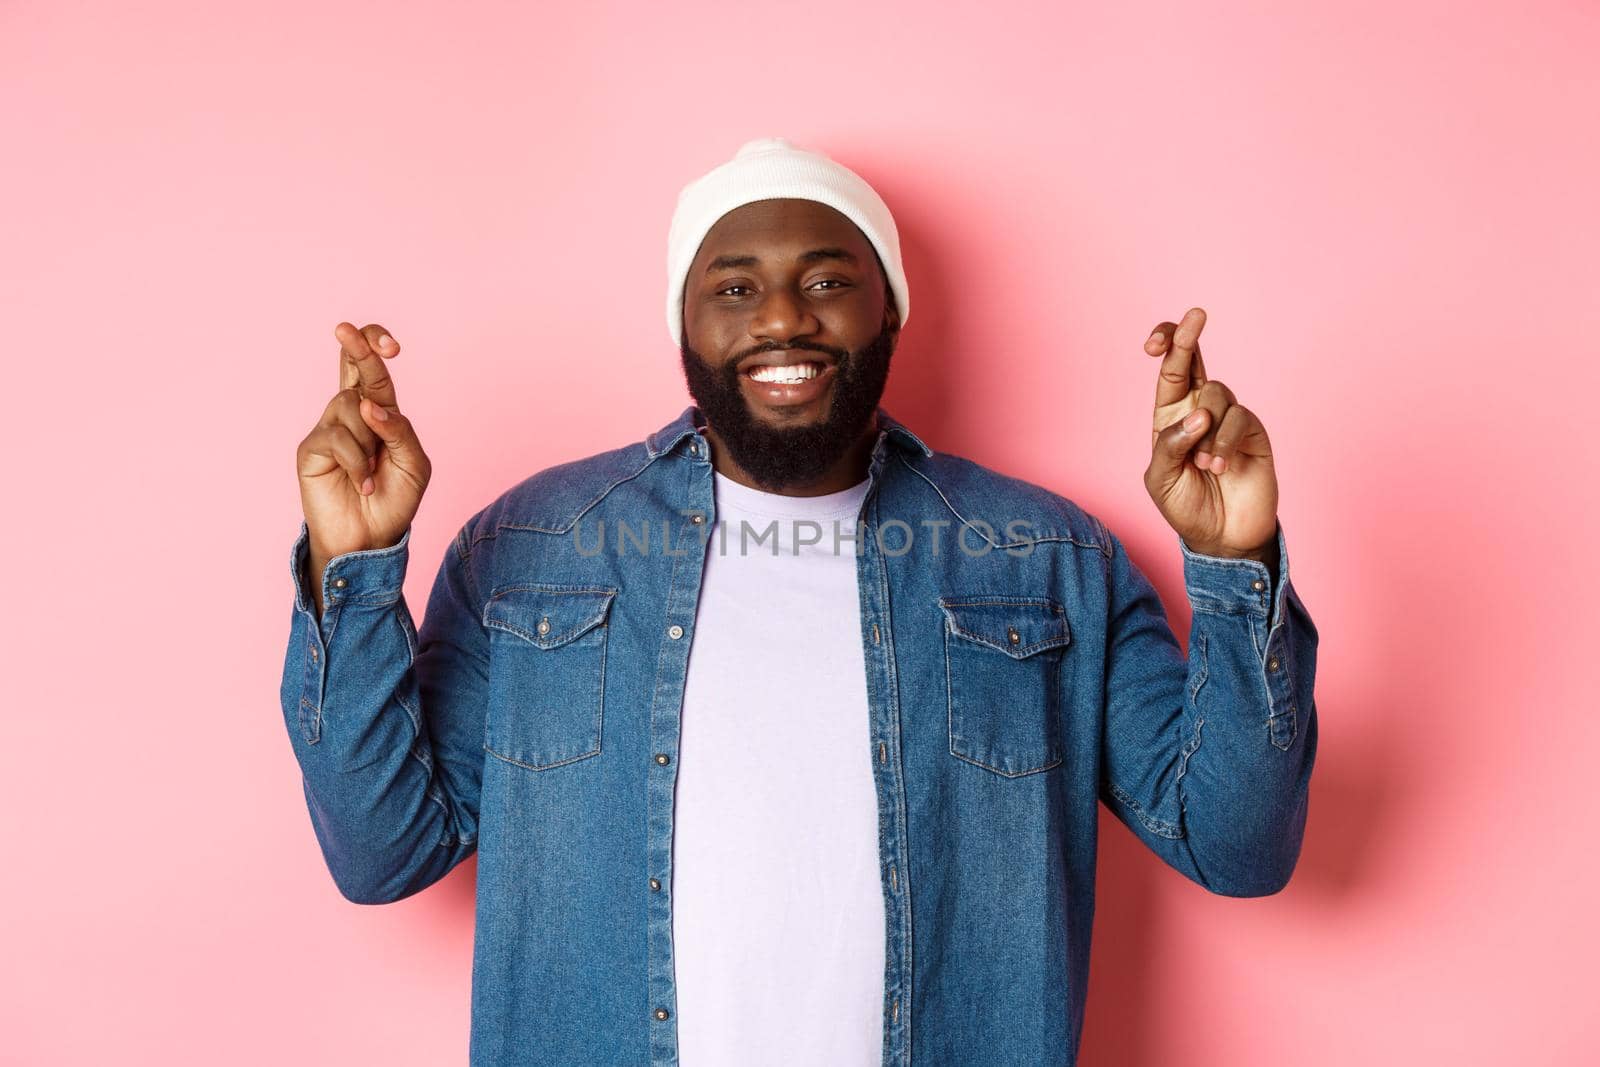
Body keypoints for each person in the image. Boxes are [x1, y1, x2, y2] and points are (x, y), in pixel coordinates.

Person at [283, 137, 1318, 1066]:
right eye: (733, 288)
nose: (782, 315)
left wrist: (1234, 564)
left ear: (891, 308)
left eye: (828, 278)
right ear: (681, 325)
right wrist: (357, 565)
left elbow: (1235, 845)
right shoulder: (533, 547)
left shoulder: (1047, 558)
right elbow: (385, 853)